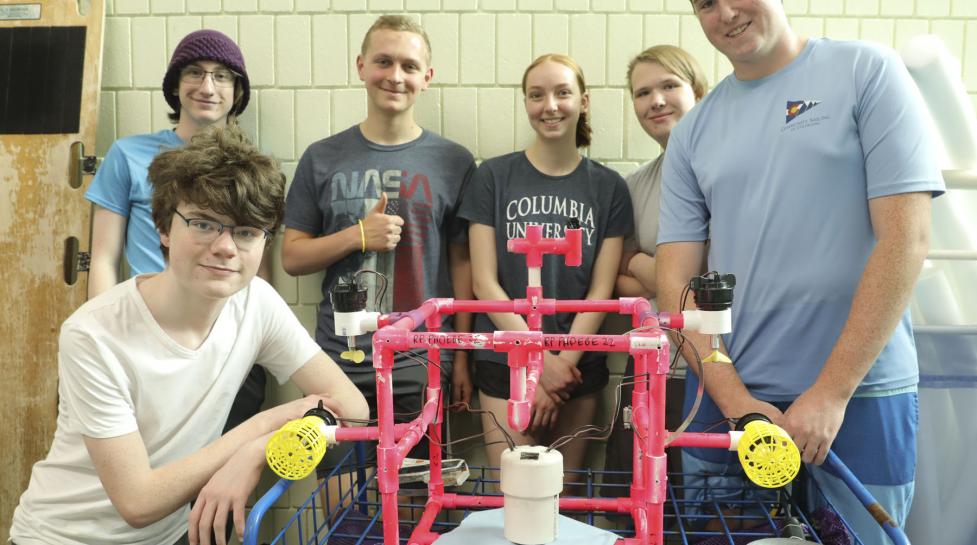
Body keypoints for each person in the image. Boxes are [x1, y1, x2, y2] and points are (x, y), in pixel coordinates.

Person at [656, 1, 943, 544]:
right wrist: (737, 402)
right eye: (705, 3)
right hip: (730, 405)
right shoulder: (693, 133)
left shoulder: (866, 72)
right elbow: (677, 288)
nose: (725, 12)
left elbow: (906, 238)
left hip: (861, 395)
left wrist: (832, 392)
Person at [9, 126, 369, 545]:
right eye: (204, 224)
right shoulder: (94, 334)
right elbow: (138, 502)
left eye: (247, 231)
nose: (226, 247)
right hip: (64, 538)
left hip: (171, 534)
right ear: (164, 228)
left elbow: (352, 407)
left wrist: (256, 452)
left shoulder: (256, 303)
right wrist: (265, 423)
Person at [281, 15, 476, 466]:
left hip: (421, 357)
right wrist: (357, 236)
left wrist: (462, 355)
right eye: (384, 62)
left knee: (414, 495)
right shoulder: (322, 157)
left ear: (426, 78)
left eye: (409, 66)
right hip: (336, 359)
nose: (395, 76)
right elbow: (292, 257)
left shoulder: (454, 161)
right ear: (361, 67)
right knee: (339, 499)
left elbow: (461, 266)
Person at [84, 29, 268, 439]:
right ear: (175, 86)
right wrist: (104, 336)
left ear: (237, 92)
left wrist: (251, 347)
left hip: (221, 336)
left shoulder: (250, 169)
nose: (207, 86)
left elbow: (259, 270)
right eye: (195, 73)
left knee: (218, 478)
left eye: (222, 76)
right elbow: (103, 258)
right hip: (145, 330)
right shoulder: (127, 155)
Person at [459, 54, 633, 475]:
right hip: (505, 360)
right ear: (525, 103)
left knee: (562, 499)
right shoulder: (492, 178)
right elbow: (484, 283)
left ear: (584, 101)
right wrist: (540, 361)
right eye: (537, 95)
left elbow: (600, 290)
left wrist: (562, 366)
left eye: (562, 93)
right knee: (514, 495)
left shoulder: (608, 187)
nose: (549, 105)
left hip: (576, 364)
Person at [603, 44, 708, 490]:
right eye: (643, 93)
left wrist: (651, 269)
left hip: (713, 367)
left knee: (706, 511)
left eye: (669, 86)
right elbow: (618, 276)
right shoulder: (636, 184)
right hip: (651, 363)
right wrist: (673, 276)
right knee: (636, 503)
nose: (656, 101)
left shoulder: (724, 169)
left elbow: (713, 275)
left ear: (698, 92)